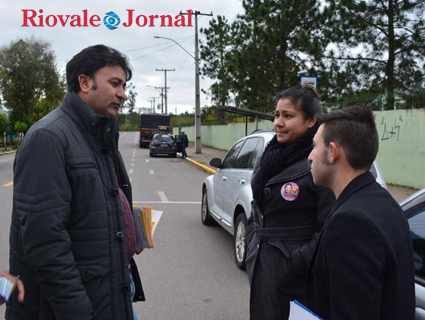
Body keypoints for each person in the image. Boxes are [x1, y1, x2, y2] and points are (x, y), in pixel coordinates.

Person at [7, 45, 145, 320]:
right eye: (115, 83)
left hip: (110, 294)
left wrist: (130, 230)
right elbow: (46, 244)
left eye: (124, 85)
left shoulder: (99, 136)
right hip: (73, 308)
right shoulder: (49, 137)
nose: (123, 94)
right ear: (84, 82)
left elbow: (98, 206)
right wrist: (80, 313)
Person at [307, 106, 415, 319]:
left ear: (333, 152)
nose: (310, 157)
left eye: (314, 147)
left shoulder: (350, 223)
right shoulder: (385, 202)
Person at [245, 84, 335, 320]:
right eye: (276, 115)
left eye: (288, 116)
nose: (278, 122)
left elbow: (329, 226)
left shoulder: (319, 163)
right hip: (262, 263)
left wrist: (297, 262)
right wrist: (251, 239)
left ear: (311, 121)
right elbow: (257, 208)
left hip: (296, 276)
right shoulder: (270, 155)